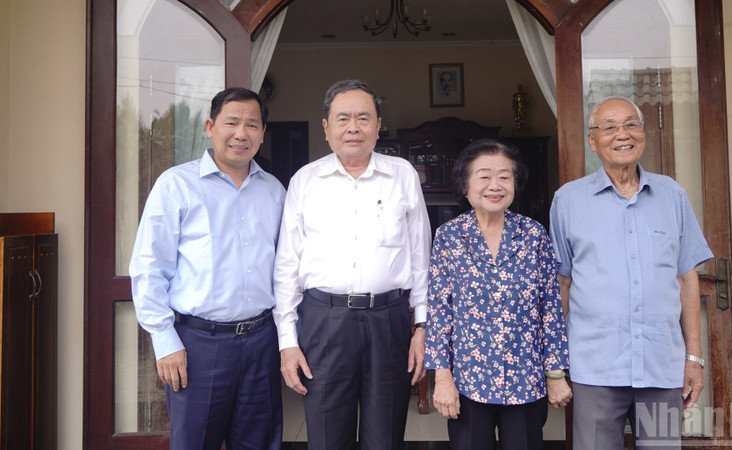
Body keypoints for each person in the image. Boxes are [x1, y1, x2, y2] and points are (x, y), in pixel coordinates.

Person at [273, 79, 432, 450]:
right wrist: (287, 342)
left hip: (388, 320)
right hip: (324, 322)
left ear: (379, 126)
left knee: (386, 437)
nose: (353, 127)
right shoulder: (305, 181)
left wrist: (422, 326)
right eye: (342, 118)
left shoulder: (402, 175)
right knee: (328, 437)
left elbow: (421, 258)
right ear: (326, 128)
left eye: (364, 118)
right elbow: (286, 268)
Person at [549, 96, 714, 449]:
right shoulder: (568, 201)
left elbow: (687, 278)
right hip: (595, 367)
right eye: (609, 127)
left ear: (643, 134)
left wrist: (694, 359)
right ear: (593, 142)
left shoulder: (672, 195)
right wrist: (555, 363)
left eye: (631, 125)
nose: (622, 134)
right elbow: (561, 284)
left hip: (661, 364)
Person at [129, 87, 285, 449]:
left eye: (252, 125)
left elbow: (286, 267)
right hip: (199, 344)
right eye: (232, 123)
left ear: (262, 133)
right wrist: (165, 340)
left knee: (259, 442)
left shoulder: (274, 191)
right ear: (210, 127)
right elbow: (150, 267)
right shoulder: (176, 186)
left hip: (261, 340)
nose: (241, 134)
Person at [425, 139, 571, 450]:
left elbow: (551, 310)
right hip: (468, 383)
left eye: (505, 177)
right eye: (484, 176)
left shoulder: (534, 235)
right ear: (466, 186)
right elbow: (439, 312)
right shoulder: (449, 237)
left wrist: (556, 373)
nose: (495, 185)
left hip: (525, 380)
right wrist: (442, 378)